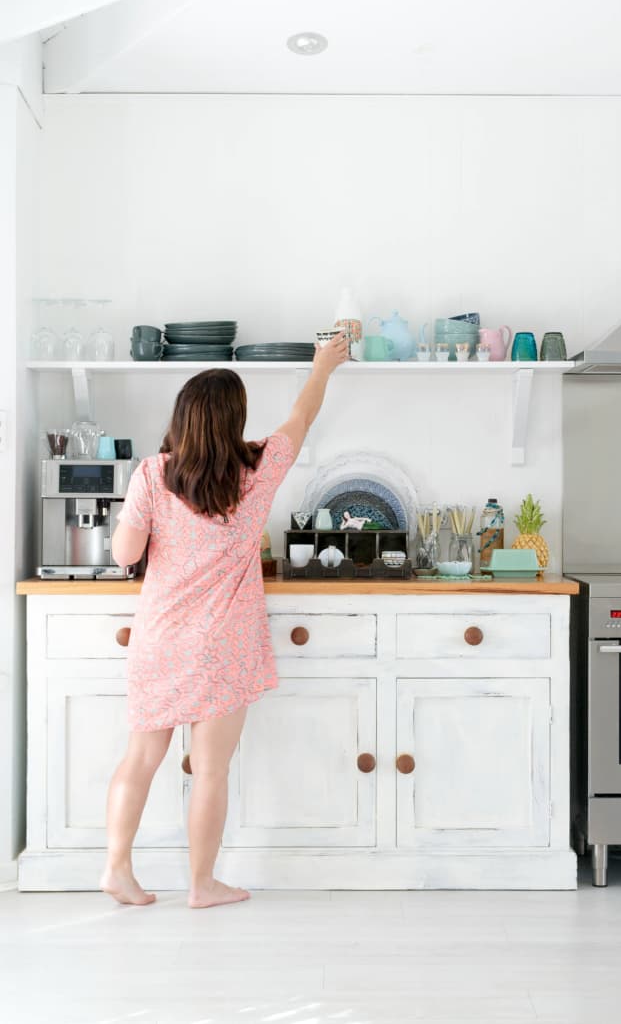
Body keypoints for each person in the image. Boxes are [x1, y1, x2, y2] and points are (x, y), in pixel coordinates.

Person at [101, 332, 349, 909]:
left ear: (183, 418)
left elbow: (124, 556)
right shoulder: (257, 470)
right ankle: (201, 884)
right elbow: (303, 413)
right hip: (223, 646)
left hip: (159, 641)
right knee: (210, 771)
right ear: (234, 419)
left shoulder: (152, 475)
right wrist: (323, 366)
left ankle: (116, 869)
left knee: (139, 759)